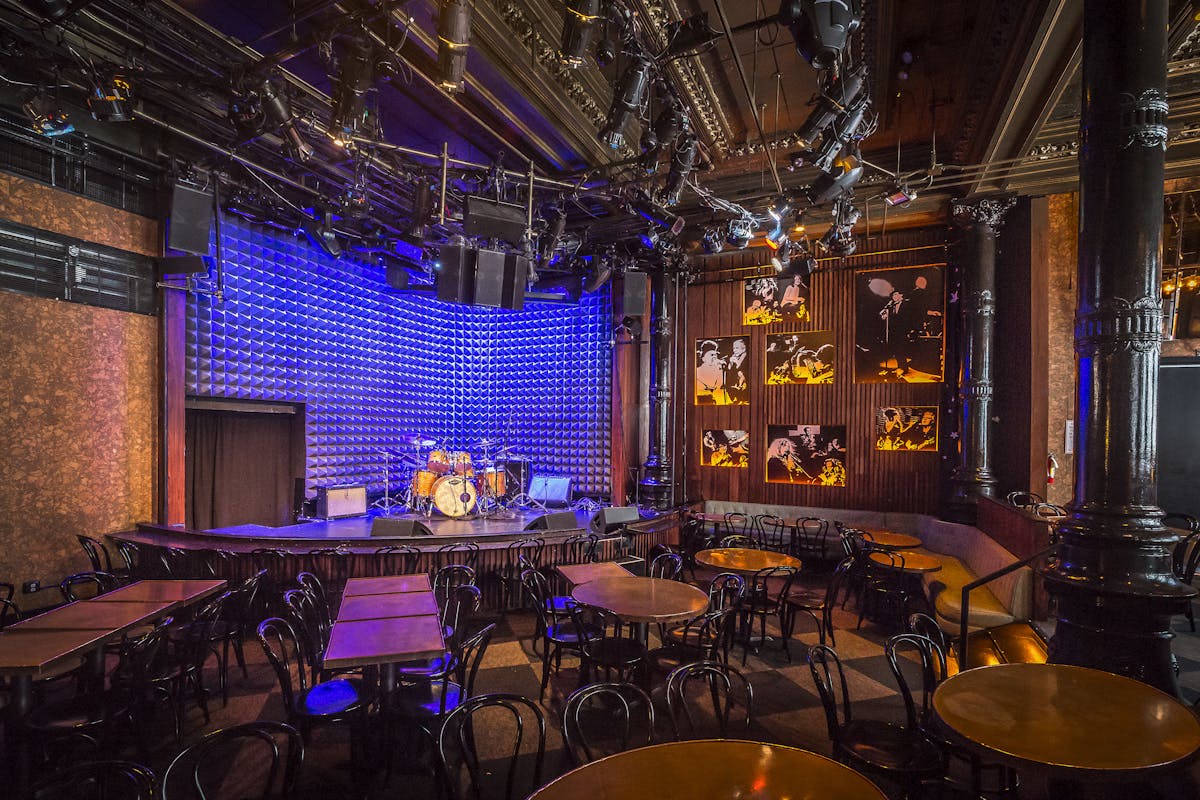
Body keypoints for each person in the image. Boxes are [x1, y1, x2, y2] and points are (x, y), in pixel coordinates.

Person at [724, 339, 749, 403]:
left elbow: (741, 368)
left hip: (745, 383)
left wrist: (736, 362)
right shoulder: (733, 356)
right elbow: (729, 370)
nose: (734, 350)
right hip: (734, 382)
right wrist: (730, 363)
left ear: (743, 349)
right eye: (734, 348)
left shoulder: (746, 356)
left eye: (737, 348)